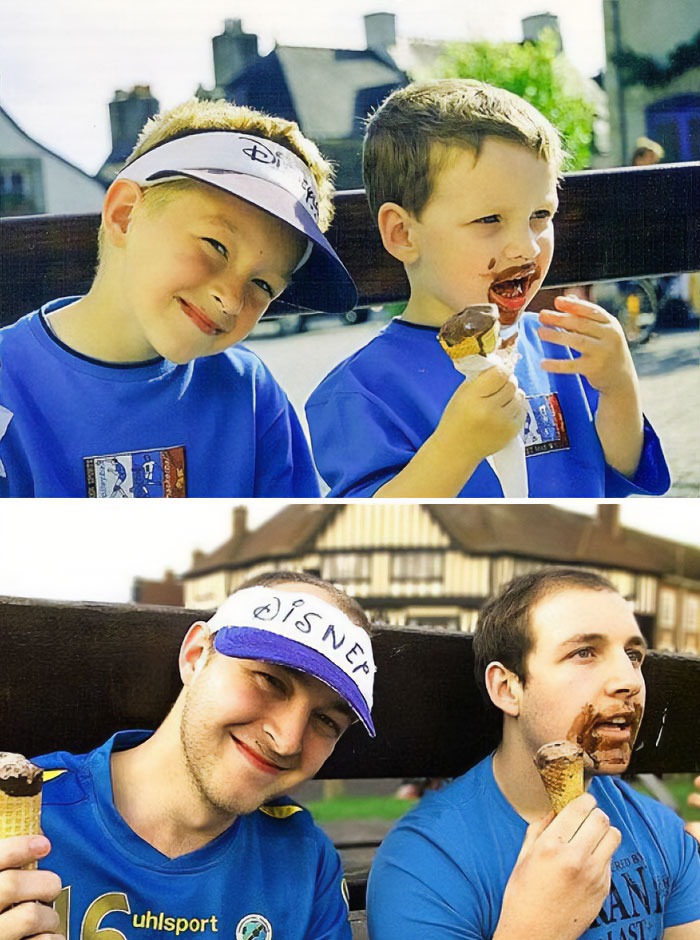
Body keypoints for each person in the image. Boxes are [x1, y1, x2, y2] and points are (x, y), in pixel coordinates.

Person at [305, 80, 670, 497]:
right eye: (489, 219)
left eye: (540, 214)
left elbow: (619, 482)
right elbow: (368, 537)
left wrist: (620, 387)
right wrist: (456, 448)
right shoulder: (360, 391)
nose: (527, 247)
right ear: (404, 233)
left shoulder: (563, 348)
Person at [0, 99, 358, 497]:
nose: (232, 300)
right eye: (216, 246)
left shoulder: (252, 394)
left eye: (264, 286)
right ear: (124, 215)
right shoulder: (7, 385)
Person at [0, 571, 375, 940]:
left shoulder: (306, 863)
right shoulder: (25, 811)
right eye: (270, 680)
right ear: (196, 656)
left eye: (326, 720)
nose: (287, 740)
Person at [367, 568, 700, 940]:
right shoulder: (424, 865)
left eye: (633, 655)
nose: (630, 680)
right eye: (584, 652)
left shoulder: (661, 830)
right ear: (509, 689)